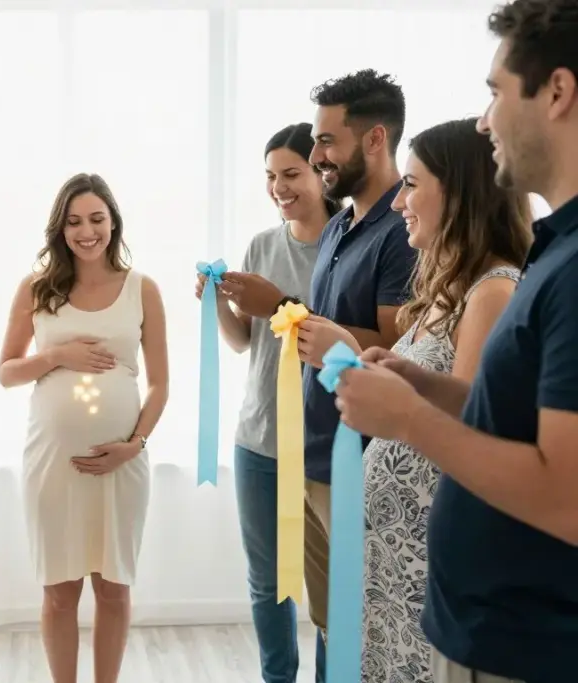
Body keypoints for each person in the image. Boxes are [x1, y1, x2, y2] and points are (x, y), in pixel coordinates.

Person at [334, 2, 578, 682]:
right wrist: (418, 384)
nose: (483, 120)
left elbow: (567, 496)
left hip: (521, 646)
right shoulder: (555, 252)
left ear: (557, 93)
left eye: (495, 92)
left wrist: (406, 418)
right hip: (481, 632)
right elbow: (504, 413)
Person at [219, 70, 416, 671]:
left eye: (327, 141)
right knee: (326, 613)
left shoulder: (399, 233)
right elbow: (318, 329)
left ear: (375, 139)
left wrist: (277, 307)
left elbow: (395, 344)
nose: (316, 154)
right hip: (305, 451)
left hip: (355, 458)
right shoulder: (339, 227)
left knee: (357, 624)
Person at [354, 118, 531, 683]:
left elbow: (481, 431)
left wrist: (402, 404)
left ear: (458, 193)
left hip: (428, 567)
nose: (399, 201)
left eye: (411, 183)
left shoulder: (493, 293)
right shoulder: (446, 289)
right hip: (395, 560)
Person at [0, 173, 168, 683]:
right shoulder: (36, 289)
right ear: (60, 228)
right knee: (59, 590)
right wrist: (56, 356)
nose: (86, 231)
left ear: (113, 221)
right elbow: (6, 371)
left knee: (114, 587)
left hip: (122, 464)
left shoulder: (143, 289)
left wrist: (133, 446)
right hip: (53, 464)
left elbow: (160, 384)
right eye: (74, 221)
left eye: (96, 218)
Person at [195, 123, 340, 683]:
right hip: (258, 440)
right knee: (268, 584)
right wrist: (215, 304)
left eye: (292, 174)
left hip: (321, 445)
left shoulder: (341, 247)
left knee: (329, 594)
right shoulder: (261, 245)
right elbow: (243, 342)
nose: (280, 188)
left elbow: (330, 339)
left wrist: (280, 303)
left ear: (322, 175)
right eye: (271, 177)